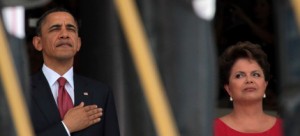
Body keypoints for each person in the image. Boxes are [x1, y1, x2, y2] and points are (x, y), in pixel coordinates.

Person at [29, 8, 120, 136]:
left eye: (71, 29)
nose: (64, 35)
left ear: (78, 43)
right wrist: (66, 127)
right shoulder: (20, 92)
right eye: (55, 28)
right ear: (38, 43)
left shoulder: (101, 92)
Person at [214, 41, 283, 136]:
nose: (249, 80)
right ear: (228, 89)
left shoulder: (286, 129)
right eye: (239, 76)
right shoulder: (211, 130)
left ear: (265, 85)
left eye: (256, 74)